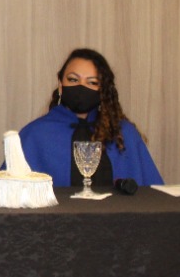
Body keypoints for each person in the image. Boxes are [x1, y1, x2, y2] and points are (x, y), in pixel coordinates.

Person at [16, 48, 163, 187]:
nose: (81, 86)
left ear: (103, 90)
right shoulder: (35, 134)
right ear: (60, 85)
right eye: (73, 80)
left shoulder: (123, 133)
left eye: (92, 82)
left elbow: (153, 195)